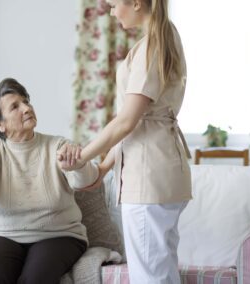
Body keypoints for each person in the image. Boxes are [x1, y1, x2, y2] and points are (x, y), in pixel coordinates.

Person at [58, 0, 192, 283]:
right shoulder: (166, 35)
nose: (111, 12)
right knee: (162, 271)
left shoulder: (152, 45)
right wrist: (104, 167)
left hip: (148, 177)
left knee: (150, 276)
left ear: (135, 3)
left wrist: (82, 156)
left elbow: (127, 121)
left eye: (114, 4)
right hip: (163, 172)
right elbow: (138, 120)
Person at [0, 78, 99, 284]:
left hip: (58, 235)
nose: (27, 108)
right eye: (15, 107)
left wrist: (77, 164)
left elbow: (86, 182)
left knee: (35, 279)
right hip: (4, 235)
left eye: (26, 102)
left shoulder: (58, 145)